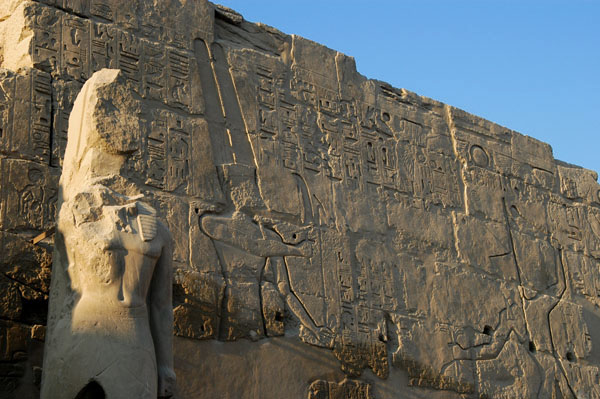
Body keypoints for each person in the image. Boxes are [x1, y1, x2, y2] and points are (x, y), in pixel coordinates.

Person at [41, 69, 175, 399]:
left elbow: (161, 306)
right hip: (83, 333)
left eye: (130, 109)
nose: (128, 118)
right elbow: (66, 287)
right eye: (112, 108)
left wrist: (166, 367)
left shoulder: (156, 225)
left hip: (135, 340)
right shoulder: (79, 206)